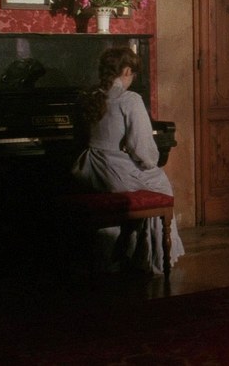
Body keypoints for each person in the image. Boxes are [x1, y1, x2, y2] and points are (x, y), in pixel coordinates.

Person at [71, 46, 184, 274]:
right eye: (133, 73)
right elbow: (142, 150)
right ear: (126, 71)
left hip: (89, 168)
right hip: (114, 173)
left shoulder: (89, 96)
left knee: (148, 178)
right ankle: (146, 257)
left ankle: (117, 249)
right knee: (160, 183)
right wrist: (149, 163)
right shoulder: (130, 99)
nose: (132, 78)